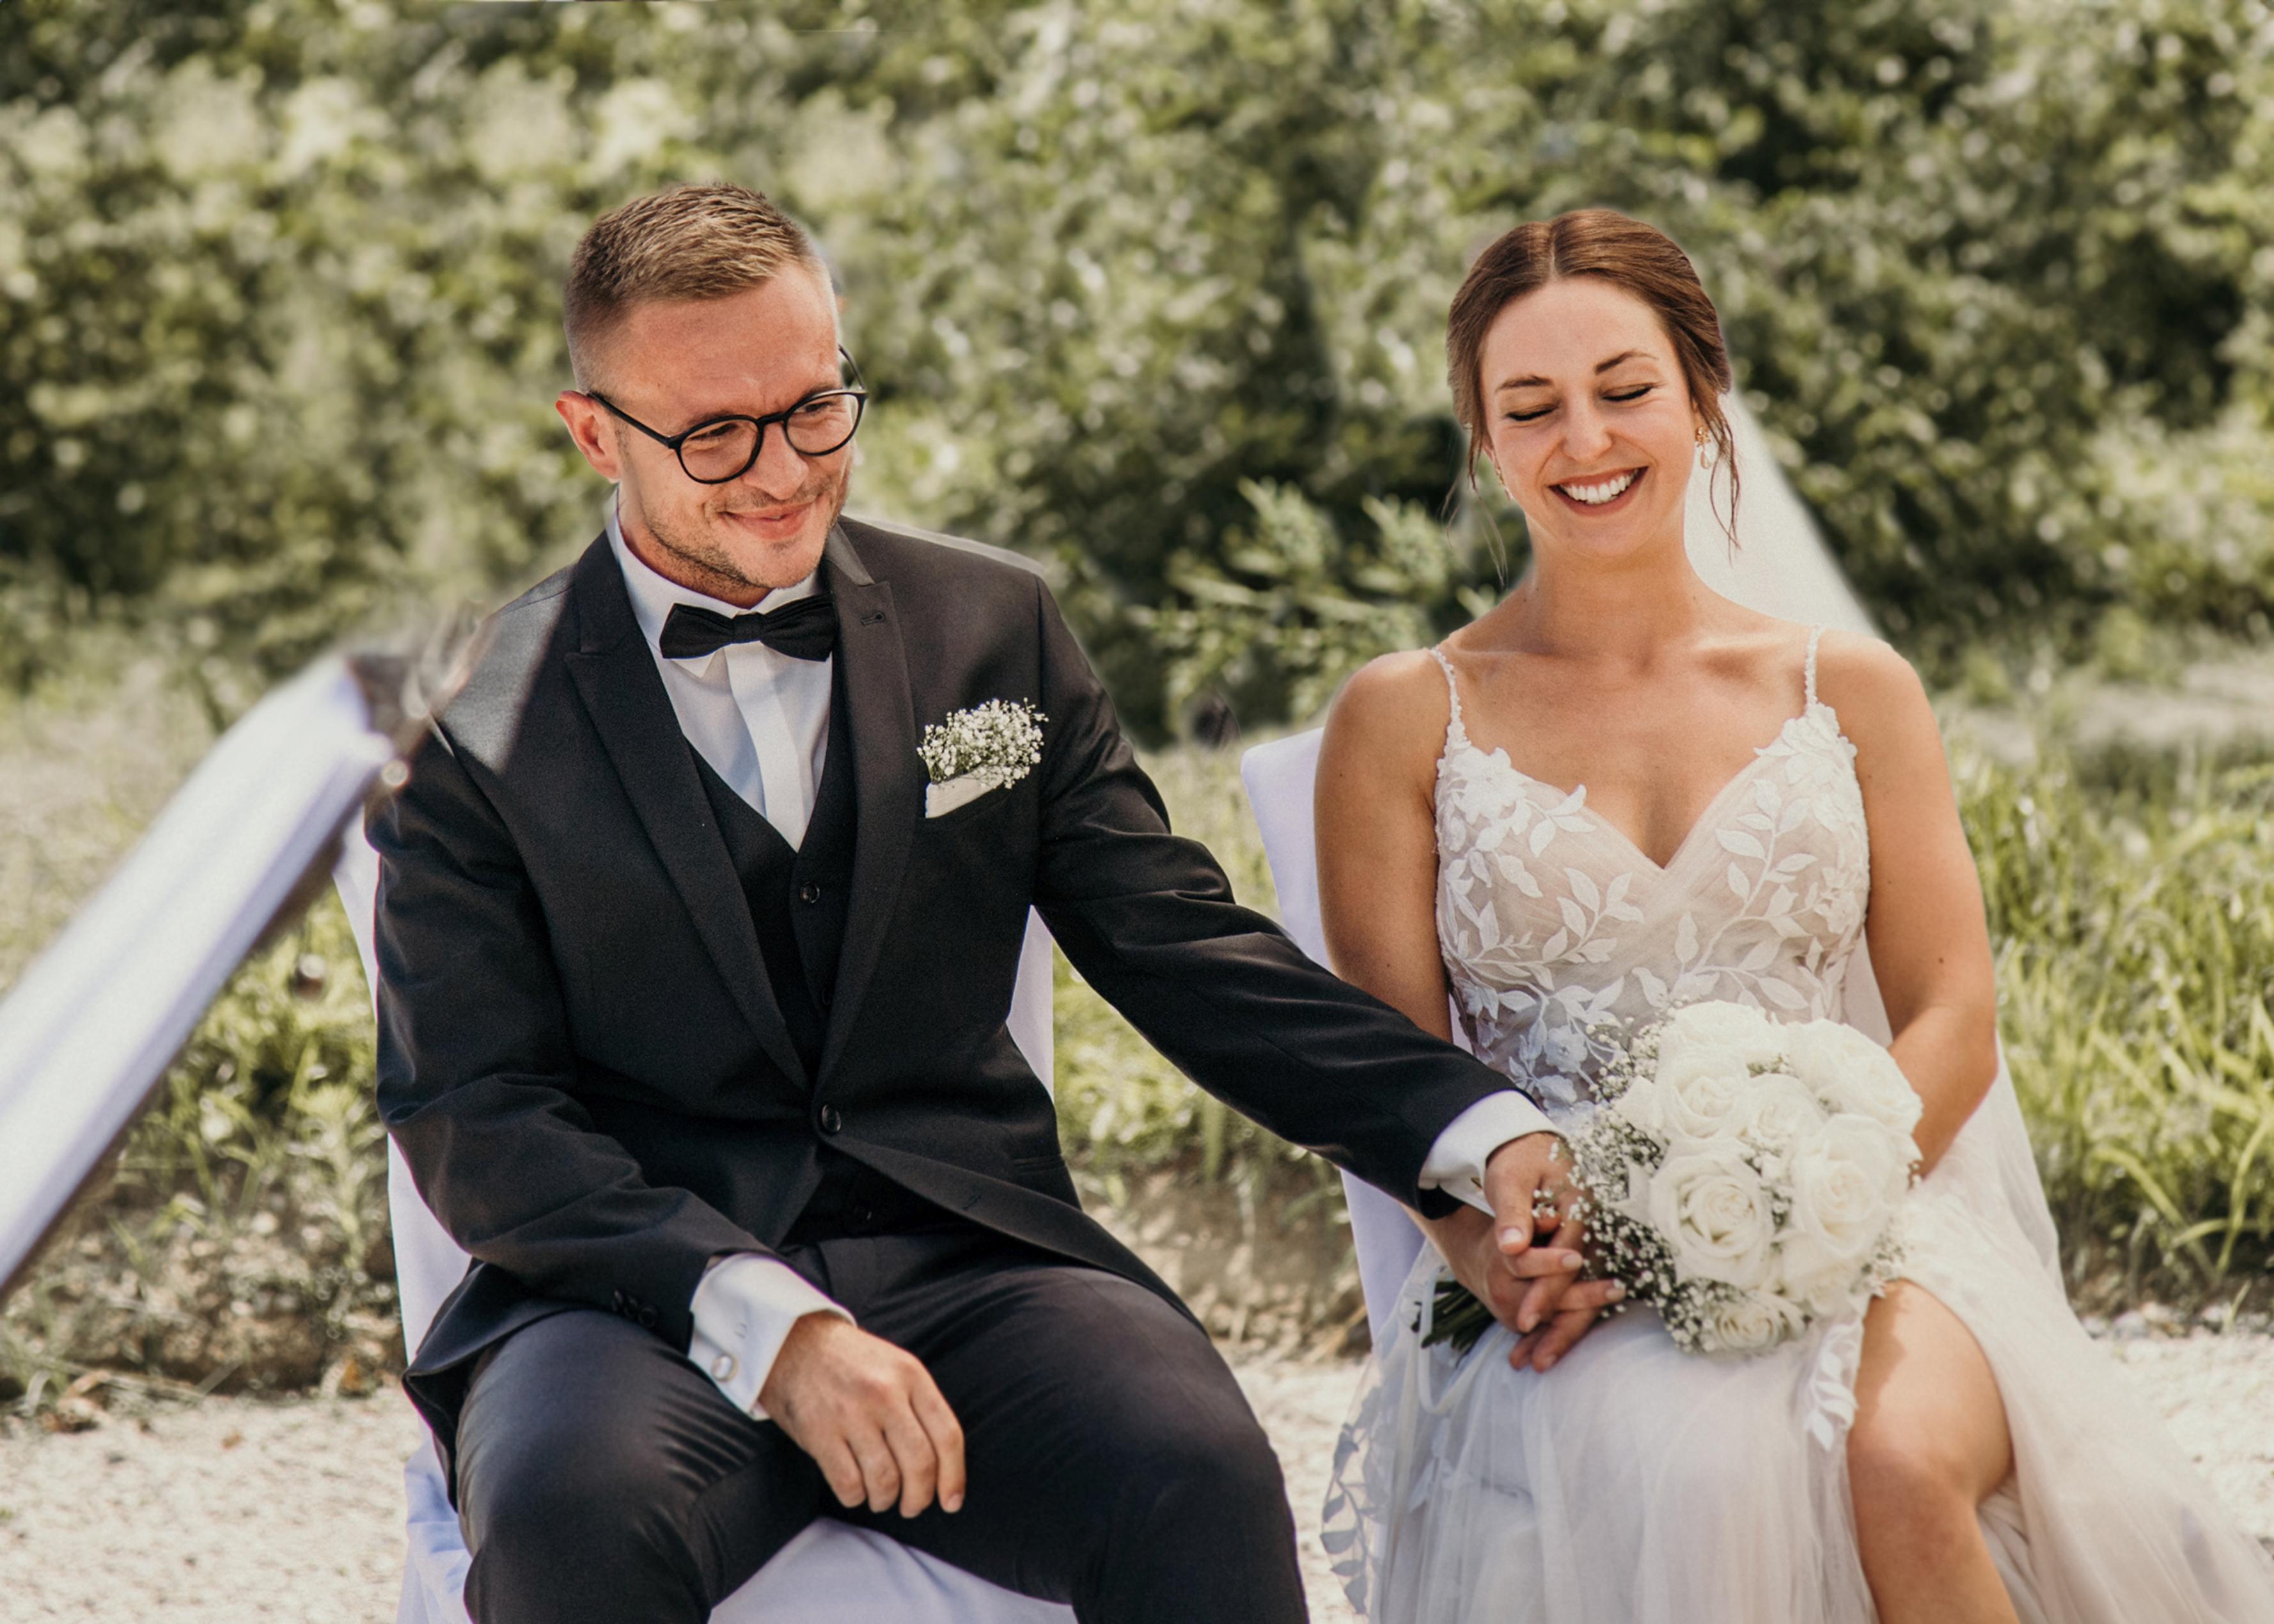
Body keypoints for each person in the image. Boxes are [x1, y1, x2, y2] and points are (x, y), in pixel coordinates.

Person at [368, 181, 1579, 1624]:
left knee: (1198, 1473)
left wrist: (1475, 1128)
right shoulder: (467, 719)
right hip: (627, 1305)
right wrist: (774, 1328)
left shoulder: (991, 628)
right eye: (714, 434)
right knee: (571, 1520)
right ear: (591, 432)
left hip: (968, 1261)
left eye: (814, 407)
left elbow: (1180, 945)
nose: (781, 470)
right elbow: (477, 1112)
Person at [1315, 208, 2274, 1624]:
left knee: (1894, 1462)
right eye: (1531, 407)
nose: (1585, 439)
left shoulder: (1850, 688)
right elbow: (1387, 1066)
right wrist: (1500, 1257)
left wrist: (1803, 1201)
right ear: (1483, 439)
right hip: (1562, 1260)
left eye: (1624, 389)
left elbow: (1952, 1014)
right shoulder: (1405, 716)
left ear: (1704, 397)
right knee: (1700, 1470)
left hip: (1867, 1213)